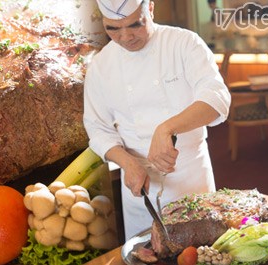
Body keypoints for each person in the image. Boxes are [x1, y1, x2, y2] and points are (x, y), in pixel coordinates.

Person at [83, 0, 231, 239]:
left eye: (135, 25)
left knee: (199, 257)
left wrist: (166, 128)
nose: (125, 36)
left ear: (150, 8)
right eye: (113, 29)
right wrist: (128, 163)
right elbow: (97, 128)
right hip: (139, 191)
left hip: (190, 178)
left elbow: (217, 100)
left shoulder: (184, 43)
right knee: (145, 256)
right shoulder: (101, 66)